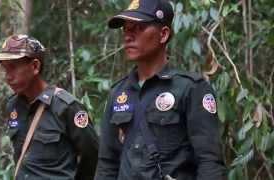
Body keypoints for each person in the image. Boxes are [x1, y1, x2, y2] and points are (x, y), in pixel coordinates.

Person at [94, 0, 226, 180]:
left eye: (138, 28)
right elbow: (107, 164)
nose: (128, 36)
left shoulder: (191, 88)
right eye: (126, 28)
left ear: (163, 34)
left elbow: (209, 163)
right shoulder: (118, 93)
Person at [0, 34, 99, 180]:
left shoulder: (66, 107)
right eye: (5, 69)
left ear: (35, 66)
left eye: (13, 68)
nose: (8, 76)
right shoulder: (13, 106)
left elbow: (92, 155)